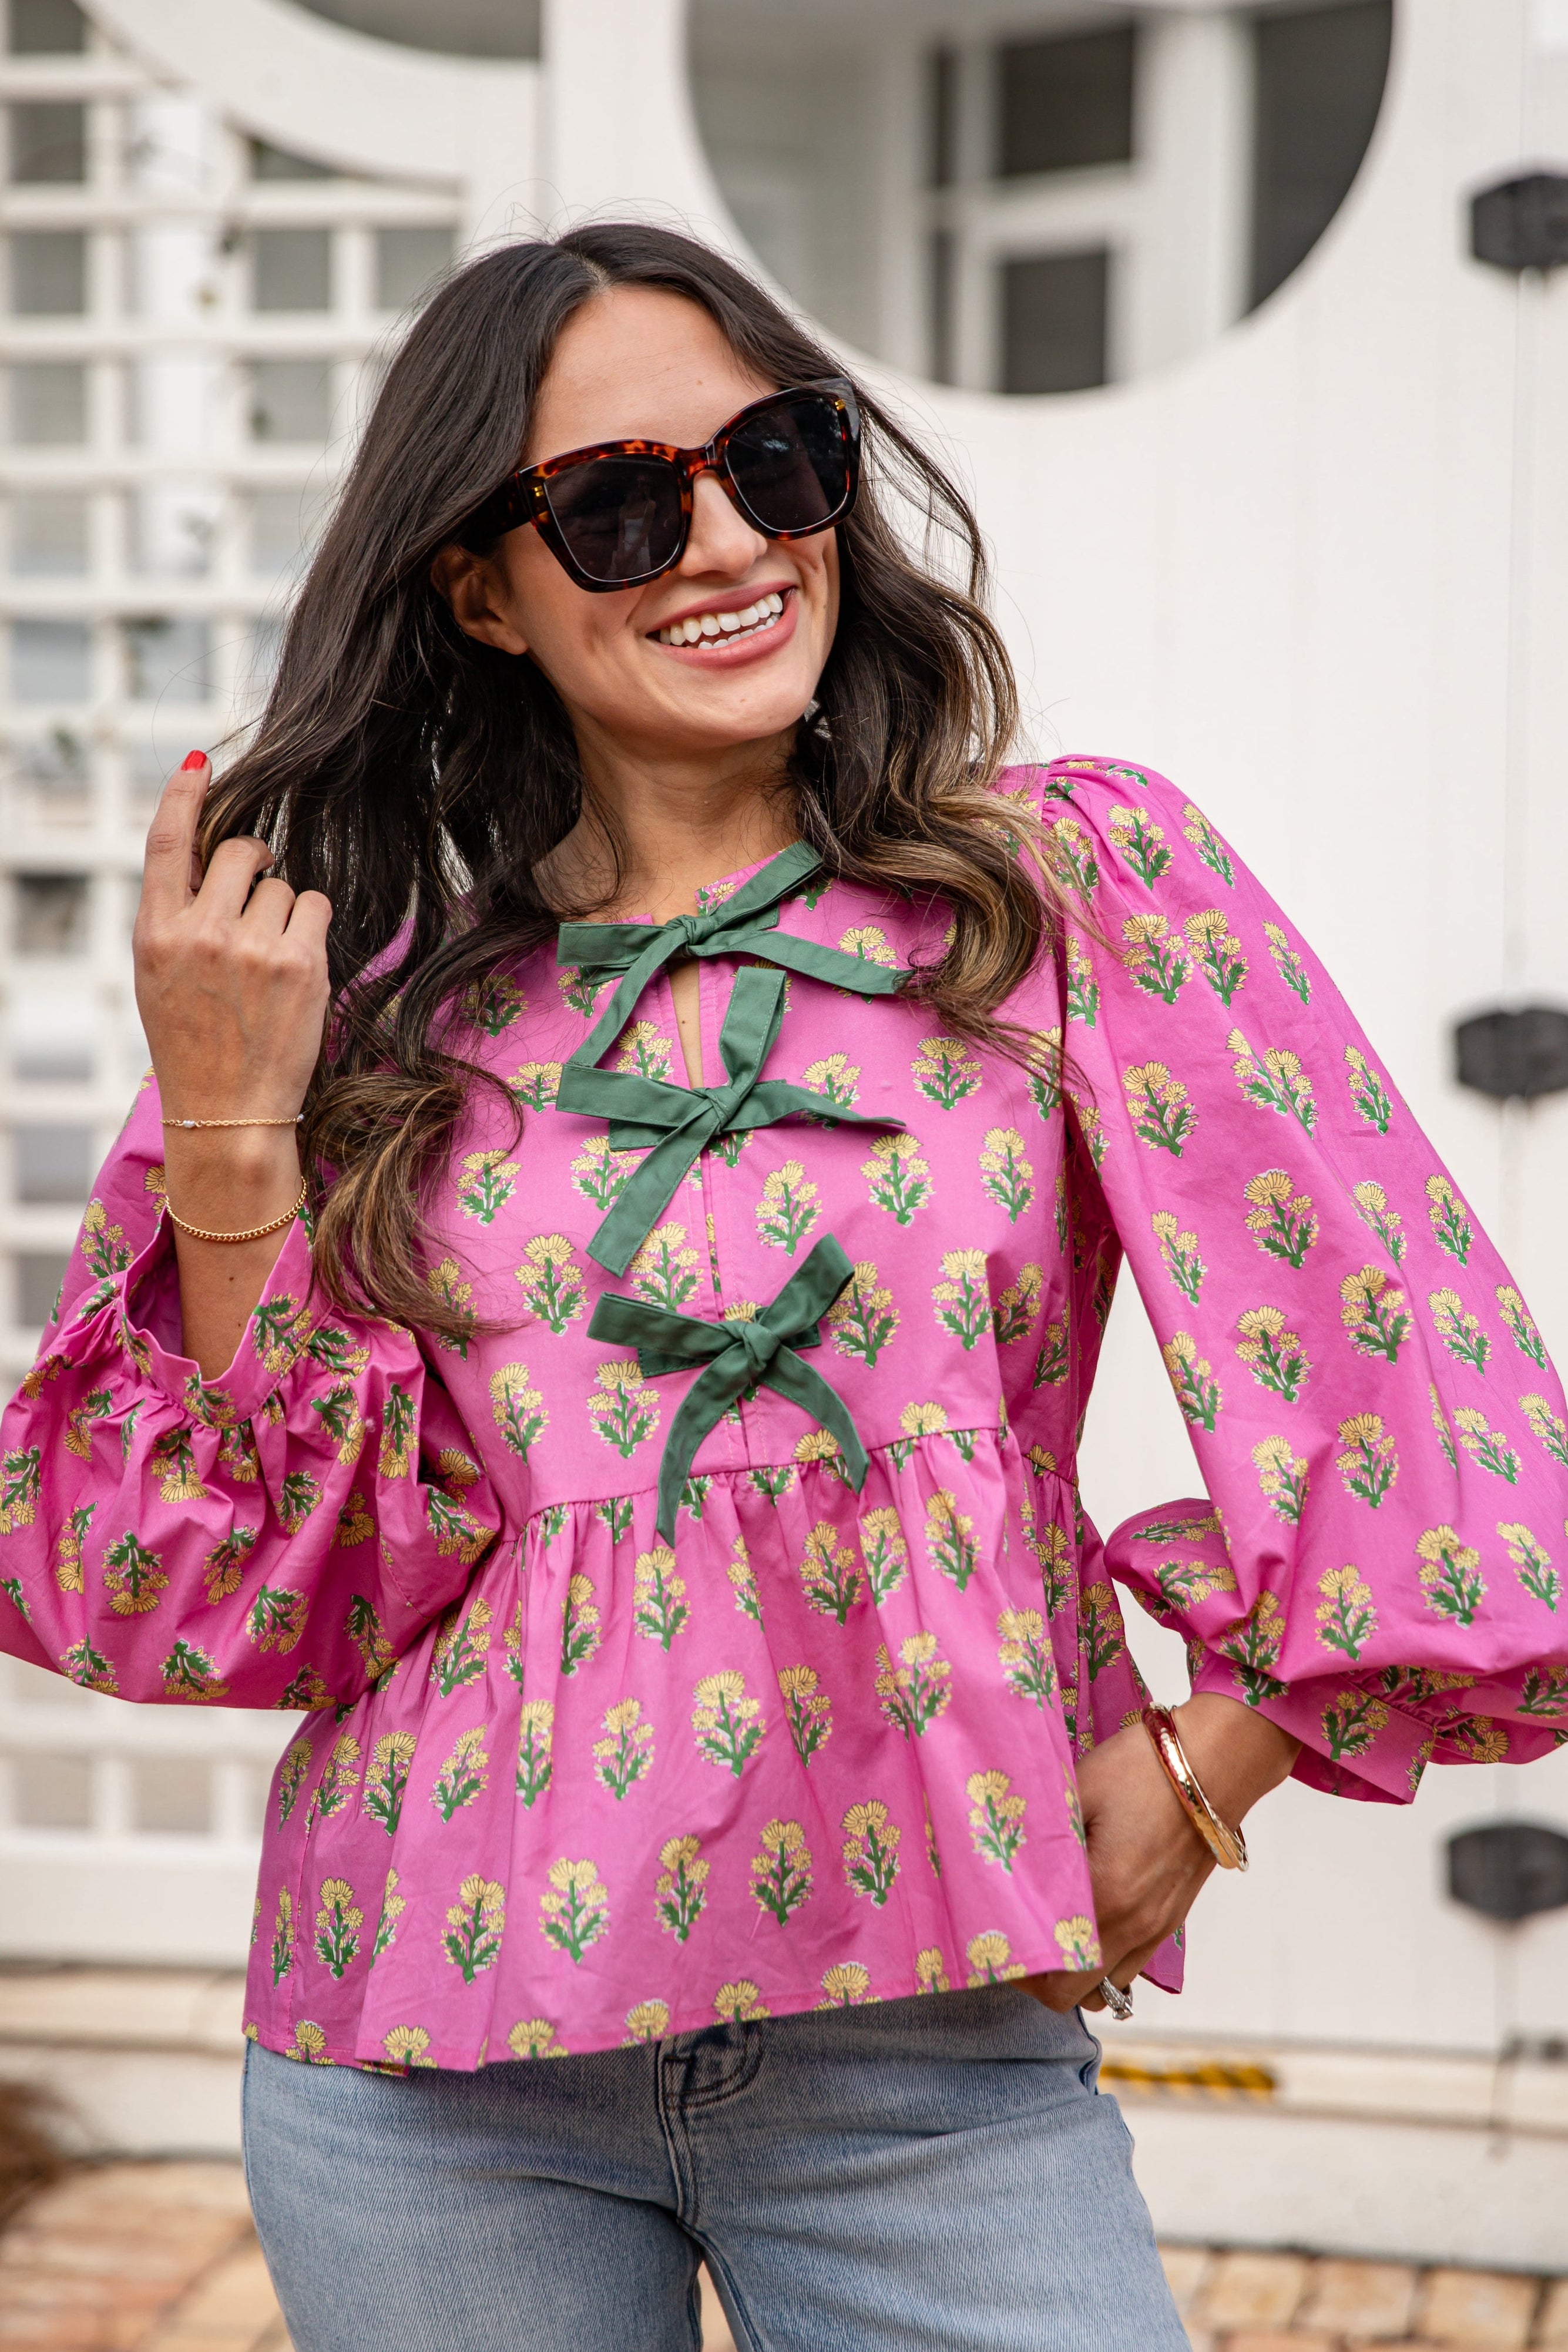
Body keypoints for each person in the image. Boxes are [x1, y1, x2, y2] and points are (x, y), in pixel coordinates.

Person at [2, 224, 1563, 2352]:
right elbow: (223, 1585)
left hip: (924, 2054)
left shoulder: (1064, 886)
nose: (726, 539)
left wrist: (1228, 1753)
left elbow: (1417, 1371)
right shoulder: (358, 1007)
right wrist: (224, 1125)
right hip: (421, 2059)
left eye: (780, 459)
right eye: (624, 503)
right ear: (483, 586)